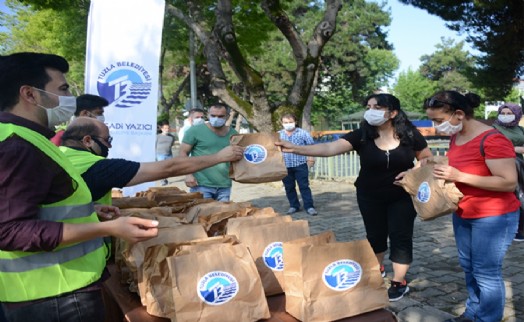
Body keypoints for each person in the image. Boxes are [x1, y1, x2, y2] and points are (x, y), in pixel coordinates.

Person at [0, 52, 159, 322]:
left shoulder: (25, 138)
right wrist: (106, 228)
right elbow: (10, 230)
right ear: (30, 94)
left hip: (49, 292)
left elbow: (30, 206)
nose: (68, 98)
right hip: (56, 297)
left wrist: (89, 212)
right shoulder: (18, 145)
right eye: (61, 89)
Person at [276, 93, 432, 302]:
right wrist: (295, 148)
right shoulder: (362, 135)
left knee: (401, 236)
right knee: (375, 235)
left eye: (376, 107)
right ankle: (377, 270)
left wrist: (413, 172)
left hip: (402, 196)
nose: (370, 111)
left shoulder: (410, 134)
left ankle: (399, 281)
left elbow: (427, 159)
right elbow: (329, 147)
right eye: (368, 106)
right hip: (369, 195)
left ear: (392, 112)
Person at [424, 91, 519, 322]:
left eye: (438, 120)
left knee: (486, 272)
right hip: (464, 211)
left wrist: (460, 175)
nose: (435, 126)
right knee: (469, 267)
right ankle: (473, 312)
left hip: (494, 217)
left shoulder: (493, 139)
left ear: (459, 114)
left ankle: (487, 318)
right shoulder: (457, 136)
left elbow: (508, 182)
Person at [60, 117, 244, 205]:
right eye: (107, 140)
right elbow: (168, 168)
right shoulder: (98, 167)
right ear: (87, 141)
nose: (109, 146)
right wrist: (220, 157)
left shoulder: (57, 154)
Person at [180, 103, 237, 201]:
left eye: (220, 116)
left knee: (222, 215)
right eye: (213, 115)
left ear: (227, 116)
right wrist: (188, 175)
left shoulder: (234, 134)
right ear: (208, 115)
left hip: (224, 185)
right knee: (201, 215)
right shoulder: (194, 131)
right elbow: (182, 153)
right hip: (201, 185)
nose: (216, 118)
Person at [492, 102, 524, 241]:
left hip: (520, 165)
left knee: (520, 196)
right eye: (503, 113)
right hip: (501, 165)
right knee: (509, 195)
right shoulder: (494, 129)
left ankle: (519, 229)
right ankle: (509, 229)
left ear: (516, 115)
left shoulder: (520, 129)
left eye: (509, 113)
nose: (505, 116)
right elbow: (492, 146)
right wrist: (514, 149)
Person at [278, 113, 318, 215]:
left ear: (295, 122)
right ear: (282, 123)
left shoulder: (303, 133)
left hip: (300, 164)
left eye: (290, 122)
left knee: (304, 186)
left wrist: (311, 160)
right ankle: (294, 206)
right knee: (289, 187)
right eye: (286, 122)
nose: (288, 124)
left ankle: (309, 206)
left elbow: (311, 147)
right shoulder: (278, 135)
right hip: (285, 166)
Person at [156, 121, 176, 185]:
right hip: (160, 154)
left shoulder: (172, 137)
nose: (167, 130)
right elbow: (154, 145)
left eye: (168, 128)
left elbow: (172, 145)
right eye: (165, 128)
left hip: (169, 154)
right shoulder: (157, 136)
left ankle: (165, 179)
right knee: (162, 168)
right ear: (162, 129)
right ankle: (163, 180)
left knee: (168, 169)